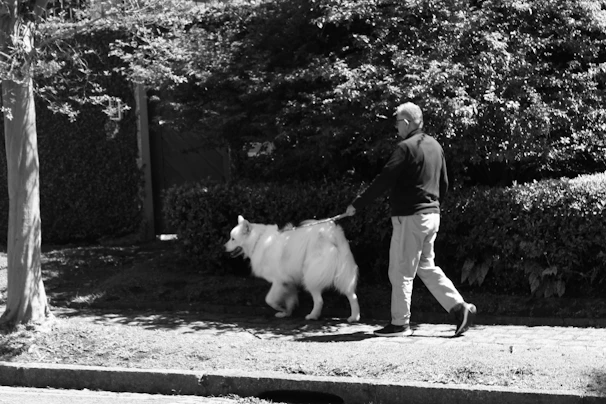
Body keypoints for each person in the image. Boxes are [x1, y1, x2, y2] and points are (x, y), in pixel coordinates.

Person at [343, 102, 476, 337]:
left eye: (397, 123)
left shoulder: (405, 147)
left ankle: (399, 324)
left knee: (401, 271)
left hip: (410, 217)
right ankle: (459, 308)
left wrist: (358, 204)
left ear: (406, 123)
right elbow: (444, 183)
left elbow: (384, 179)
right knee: (426, 267)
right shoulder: (435, 146)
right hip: (431, 216)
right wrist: (433, 207)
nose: (396, 128)